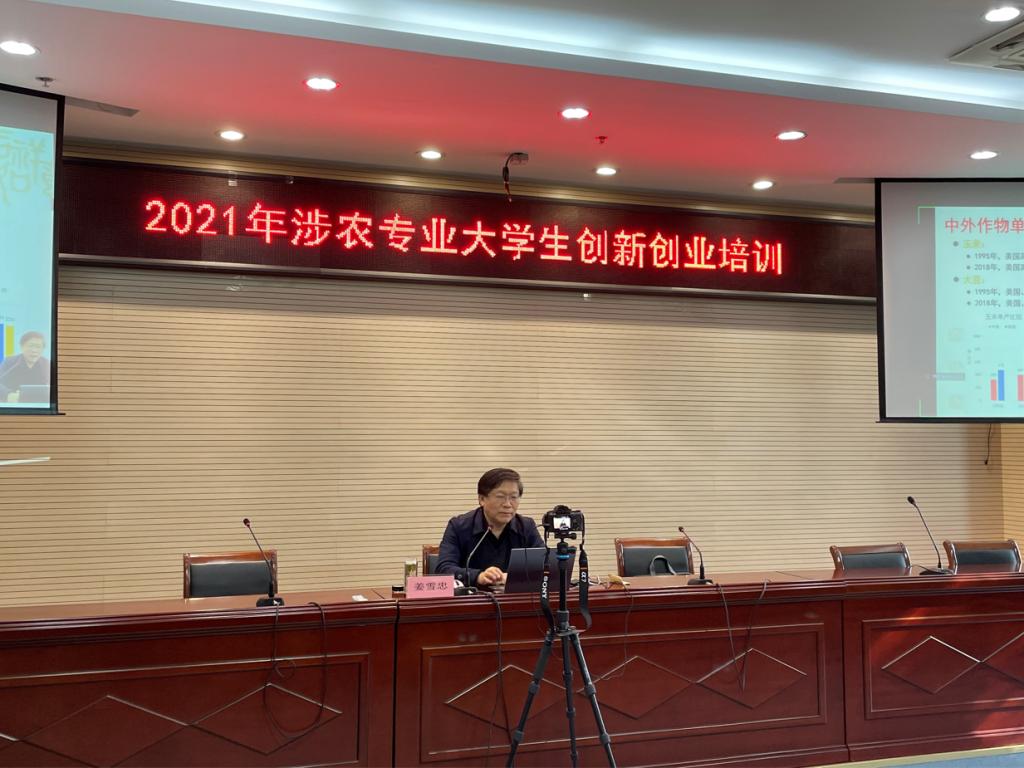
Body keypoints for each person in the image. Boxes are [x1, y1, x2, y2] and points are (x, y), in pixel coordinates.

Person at [436, 467, 544, 588]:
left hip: (515, 597)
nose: (507, 504)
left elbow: (545, 566)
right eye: (500, 497)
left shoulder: (526, 527)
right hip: (473, 597)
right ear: (482, 499)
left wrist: (514, 577)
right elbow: (444, 569)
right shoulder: (459, 526)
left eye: (513, 497)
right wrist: (478, 576)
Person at [0, 331, 50, 403]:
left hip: (39, 406)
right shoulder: (10, 362)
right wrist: (8, 394)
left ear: (43, 349)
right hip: (14, 405)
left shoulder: (47, 365)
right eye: (30, 346)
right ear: (22, 346)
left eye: (38, 347)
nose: (34, 350)